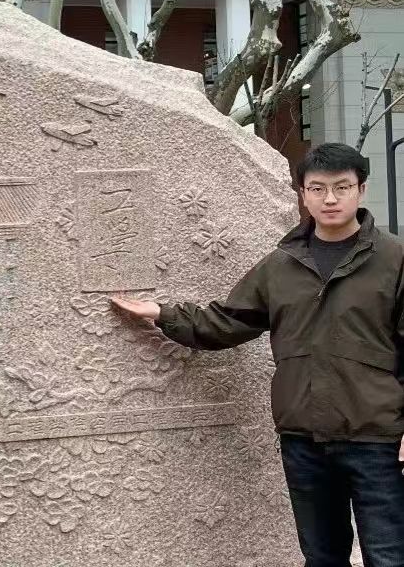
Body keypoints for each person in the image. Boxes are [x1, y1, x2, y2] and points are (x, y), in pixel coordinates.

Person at [111, 142, 404, 567]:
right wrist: (162, 314)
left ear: (361, 190)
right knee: (321, 556)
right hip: (303, 439)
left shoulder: (394, 259)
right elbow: (227, 321)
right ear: (302, 194)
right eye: (318, 188)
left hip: (377, 439)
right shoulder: (281, 265)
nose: (330, 199)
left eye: (342, 187)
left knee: (389, 556)